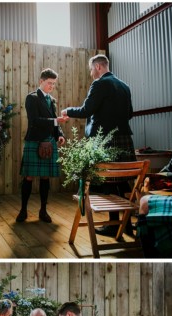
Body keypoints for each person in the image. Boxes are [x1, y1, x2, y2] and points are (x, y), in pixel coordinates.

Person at [63, 54, 136, 236]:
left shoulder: (100, 84)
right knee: (122, 179)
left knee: (108, 180)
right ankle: (124, 224)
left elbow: (87, 110)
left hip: (105, 139)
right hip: (124, 137)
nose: (91, 74)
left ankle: (113, 225)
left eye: (91, 70)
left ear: (98, 67)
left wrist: (67, 110)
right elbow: (130, 113)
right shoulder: (124, 86)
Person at [16, 69, 68, 223]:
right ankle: (23, 210)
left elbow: (54, 120)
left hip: (49, 140)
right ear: (41, 81)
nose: (51, 86)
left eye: (53, 84)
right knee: (29, 177)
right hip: (35, 140)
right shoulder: (31, 98)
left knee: (45, 177)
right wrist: (56, 121)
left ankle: (43, 211)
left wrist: (60, 134)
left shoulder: (51, 100)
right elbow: (34, 120)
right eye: (49, 83)